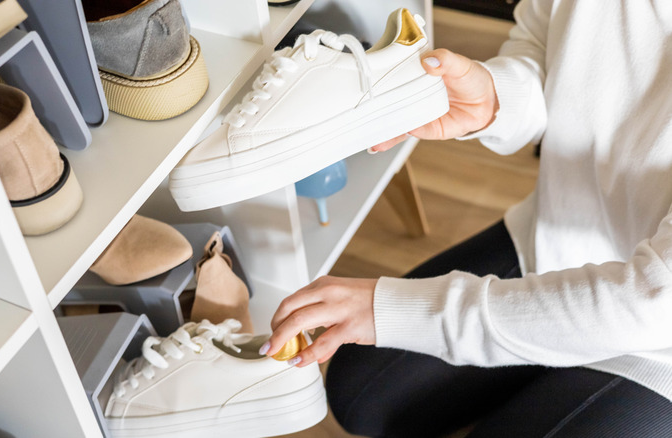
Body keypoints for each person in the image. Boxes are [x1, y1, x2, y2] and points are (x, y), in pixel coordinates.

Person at [259, 0, 672, 436]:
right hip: (556, 241)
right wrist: (496, 96)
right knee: (360, 397)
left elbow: (651, 304)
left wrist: (402, 312)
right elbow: (542, 47)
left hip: (659, 334)